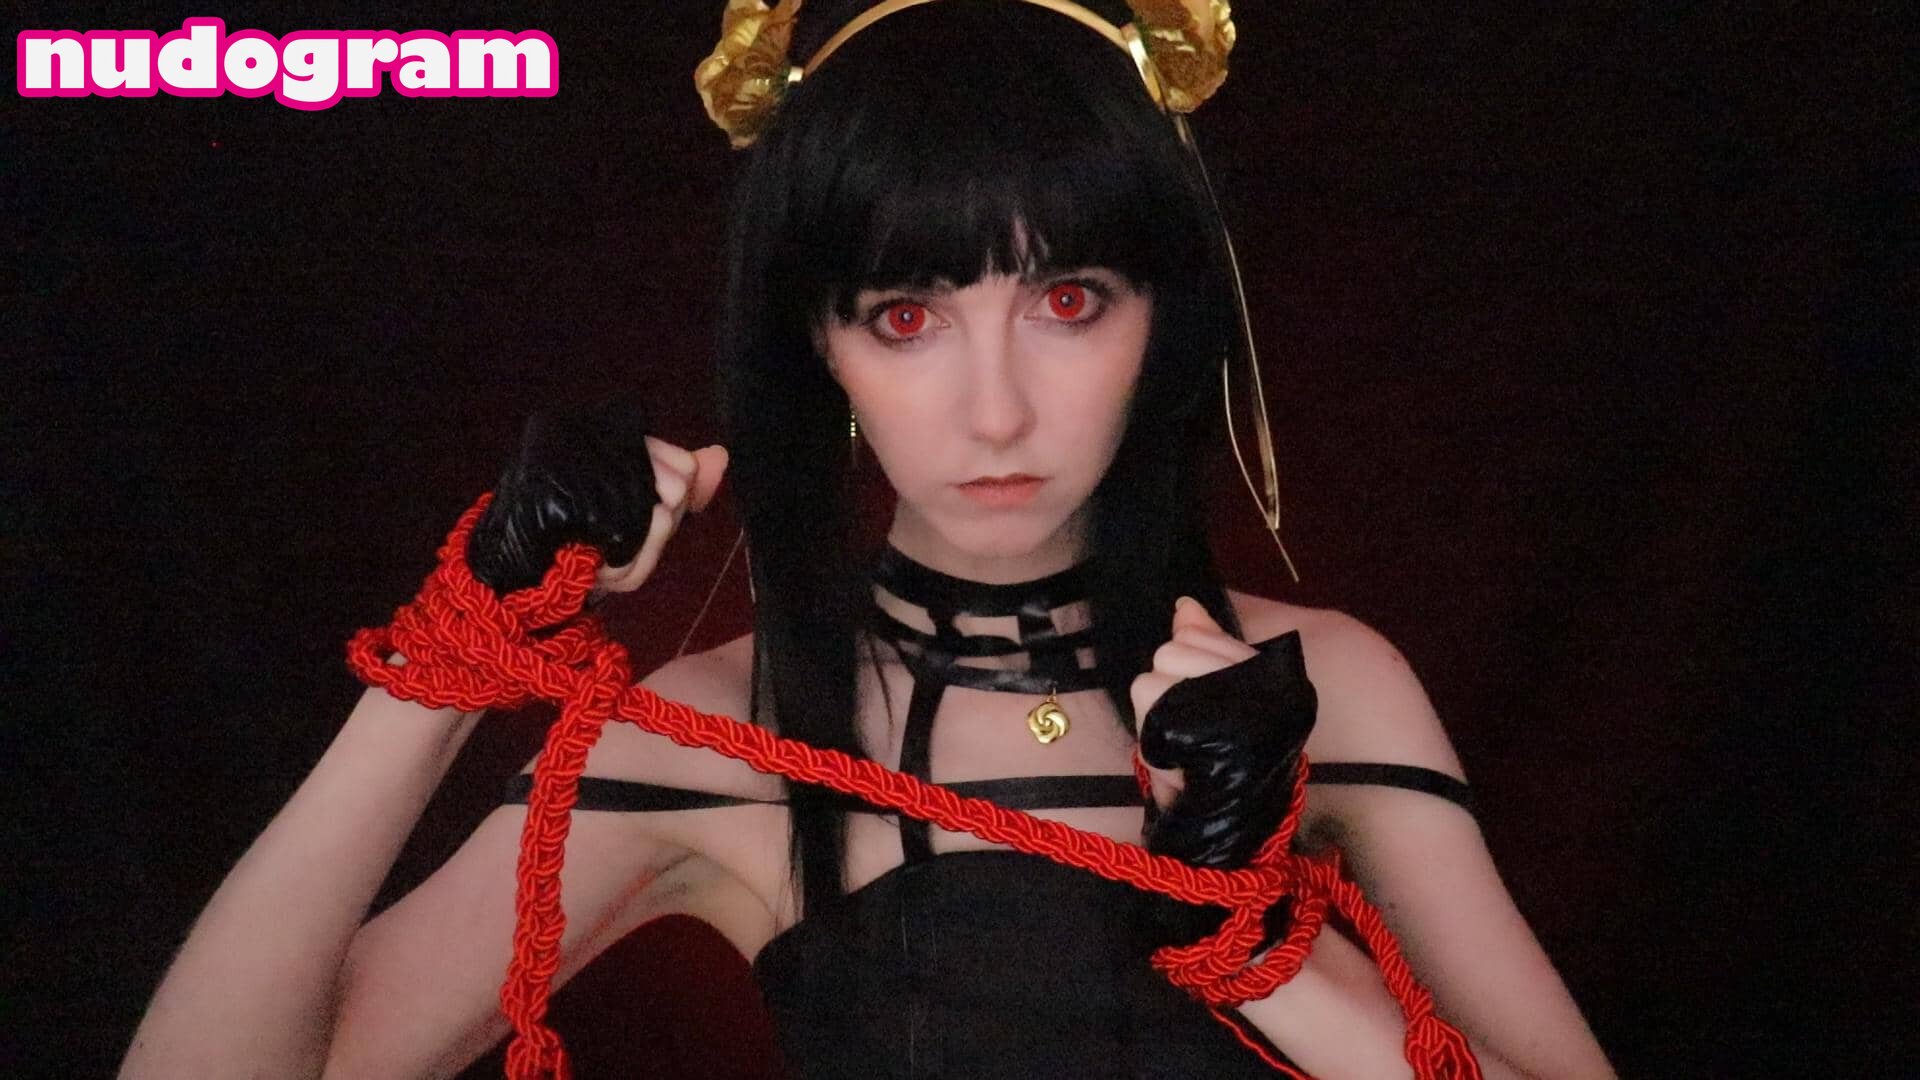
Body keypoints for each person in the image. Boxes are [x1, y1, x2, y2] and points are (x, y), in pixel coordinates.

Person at [121, 2, 1615, 1077]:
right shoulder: (729, 728)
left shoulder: (1325, 686)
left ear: (1164, 321)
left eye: (1069, 301)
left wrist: (1265, 947)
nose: (996, 411)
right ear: (820, 348)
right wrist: (461, 647)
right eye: (908, 317)